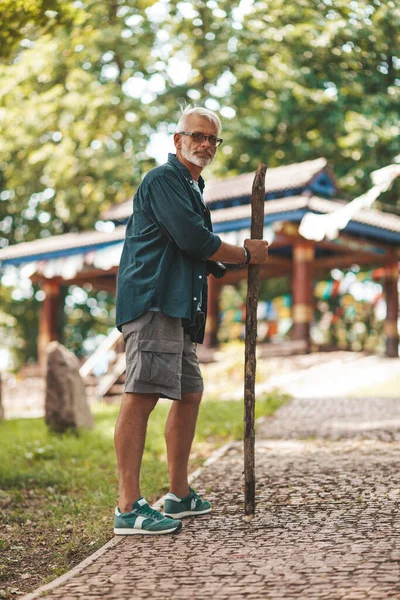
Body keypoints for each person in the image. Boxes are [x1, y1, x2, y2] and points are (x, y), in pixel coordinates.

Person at [113, 105, 269, 535]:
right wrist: (243, 254)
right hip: (154, 301)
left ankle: (179, 494)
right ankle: (127, 507)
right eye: (197, 135)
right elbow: (193, 239)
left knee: (190, 394)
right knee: (142, 394)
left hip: (179, 305)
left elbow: (194, 251)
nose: (205, 144)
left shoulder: (191, 187)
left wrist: (235, 262)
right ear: (176, 139)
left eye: (212, 139)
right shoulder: (163, 180)